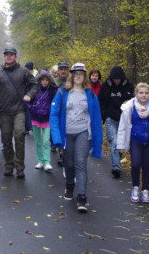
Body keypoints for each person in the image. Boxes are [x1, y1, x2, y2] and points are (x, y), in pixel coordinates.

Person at [50, 63, 103, 212]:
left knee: (80, 163)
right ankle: (69, 185)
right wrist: (56, 137)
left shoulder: (91, 94)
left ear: (85, 76)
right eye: (76, 73)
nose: (78, 75)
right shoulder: (63, 92)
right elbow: (53, 114)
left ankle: (81, 196)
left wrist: (98, 141)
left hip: (83, 133)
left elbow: (97, 119)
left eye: (81, 73)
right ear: (72, 75)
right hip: (67, 133)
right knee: (69, 163)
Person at [0, 47, 38, 179]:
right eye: (7, 55)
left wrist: (29, 95)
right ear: (4, 57)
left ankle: (20, 167)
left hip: (19, 110)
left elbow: (35, 85)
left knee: (19, 135)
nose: (9, 57)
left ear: (16, 56)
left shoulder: (23, 71)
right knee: (6, 139)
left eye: (11, 55)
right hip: (4, 111)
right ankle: (9, 165)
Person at [98, 66, 134, 179]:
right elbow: (101, 102)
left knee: (121, 143)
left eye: (118, 78)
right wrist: (104, 114)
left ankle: (116, 161)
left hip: (124, 119)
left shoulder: (128, 86)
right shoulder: (105, 86)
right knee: (113, 141)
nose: (116, 81)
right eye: (115, 79)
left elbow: (132, 102)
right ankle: (116, 167)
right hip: (110, 118)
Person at [28, 70, 57, 172]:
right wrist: (32, 109)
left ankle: (47, 162)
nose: (44, 82)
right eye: (42, 80)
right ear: (39, 80)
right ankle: (40, 161)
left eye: (46, 80)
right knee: (38, 141)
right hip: (35, 118)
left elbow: (55, 102)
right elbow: (29, 100)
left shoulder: (52, 90)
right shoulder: (35, 89)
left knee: (45, 141)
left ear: (49, 80)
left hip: (47, 118)